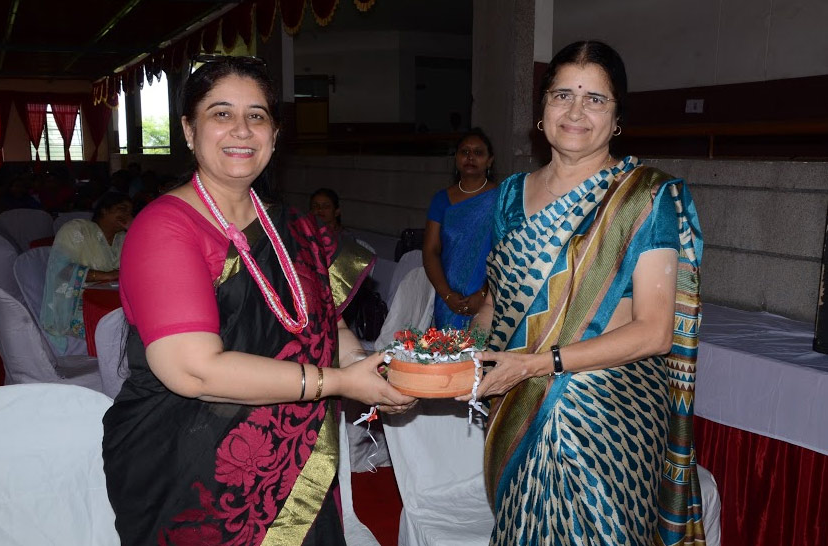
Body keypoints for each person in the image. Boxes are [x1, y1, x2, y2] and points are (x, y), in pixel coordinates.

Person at [102, 55, 415, 546]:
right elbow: (193, 372)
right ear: (188, 130)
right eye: (221, 113)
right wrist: (339, 382)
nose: (242, 130)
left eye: (257, 115)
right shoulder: (164, 228)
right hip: (191, 468)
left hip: (294, 461)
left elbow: (326, 325)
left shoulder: (292, 226)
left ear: (274, 134)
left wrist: (365, 368)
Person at [462, 41, 705, 544]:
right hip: (519, 405)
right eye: (562, 95)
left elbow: (654, 332)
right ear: (542, 109)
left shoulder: (646, 196)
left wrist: (537, 364)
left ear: (617, 119)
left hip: (607, 414)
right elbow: (495, 304)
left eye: (595, 99)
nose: (575, 112)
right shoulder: (509, 195)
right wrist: (457, 355)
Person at [422, 128, 498, 329]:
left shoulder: (501, 198)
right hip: (449, 300)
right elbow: (430, 251)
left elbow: (506, 252)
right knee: (448, 347)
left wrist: (484, 294)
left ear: (489, 160)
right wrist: (447, 295)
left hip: (491, 299)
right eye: (464, 152)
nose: (470, 157)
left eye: (478, 152)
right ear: (456, 158)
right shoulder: (441, 200)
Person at [40, 192, 132, 353]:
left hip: (115, 302)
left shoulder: (123, 238)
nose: (127, 215)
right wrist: (107, 275)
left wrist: (136, 231)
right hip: (80, 303)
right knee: (121, 329)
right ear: (104, 210)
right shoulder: (77, 229)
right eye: (122, 209)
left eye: (130, 212)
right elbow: (61, 270)